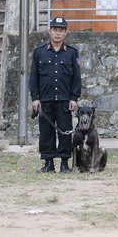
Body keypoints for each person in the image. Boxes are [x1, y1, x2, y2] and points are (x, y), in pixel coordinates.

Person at [29, 16, 81, 173]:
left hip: (65, 100)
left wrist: (74, 98)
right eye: (55, 30)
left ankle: (64, 164)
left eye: (61, 30)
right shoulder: (39, 53)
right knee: (46, 132)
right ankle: (48, 163)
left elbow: (76, 78)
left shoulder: (72, 53)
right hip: (45, 100)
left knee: (65, 132)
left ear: (66, 33)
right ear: (49, 31)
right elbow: (34, 78)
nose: (58, 33)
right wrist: (35, 98)